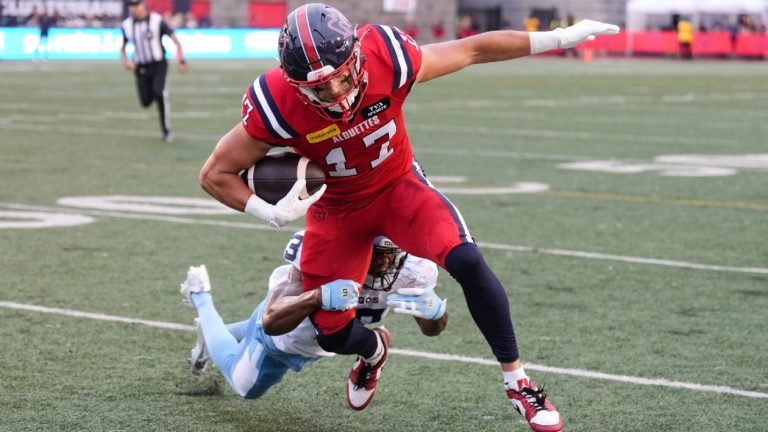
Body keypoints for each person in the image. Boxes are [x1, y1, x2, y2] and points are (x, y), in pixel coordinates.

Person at [198, 3, 618, 431]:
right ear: (295, 84)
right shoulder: (275, 101)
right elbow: (215, 173)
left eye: (344, 76)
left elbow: (472, 49)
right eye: (322, 89)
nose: (340, 93)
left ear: (358, 55)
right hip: (336, 210)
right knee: (332, 332)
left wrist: (557, 38)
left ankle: (518, 384)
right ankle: (373, 350)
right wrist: (267, 211)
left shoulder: (387, 55)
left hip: (398, 187)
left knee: (468, 261)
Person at [179, 232, 448, 404]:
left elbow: (431, 329)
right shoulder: (324, 251)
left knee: (245, 332)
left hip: (328, 340)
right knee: (244, 387)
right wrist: (318, 296)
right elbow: (270, 320)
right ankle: (201, 296)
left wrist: (435, 313)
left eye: (390, 256)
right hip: (285, 339)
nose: (382, 266)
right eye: (377, 256)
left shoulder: (414, 269)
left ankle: (209, 332)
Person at [120, 0, 187, 142]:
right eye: (132, 6)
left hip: (158, 65)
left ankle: (166, 130)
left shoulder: (157, 21)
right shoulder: (127, 25)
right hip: (141, 67)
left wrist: (181, 59)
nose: (134, 9)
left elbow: (176, 40)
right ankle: (155, 94)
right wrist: (126, 62)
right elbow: (123, 47)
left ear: (143, 5)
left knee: (159, 93)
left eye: (136, 5)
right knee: (145, 102)